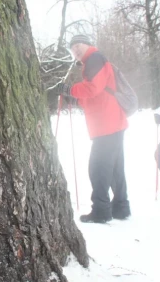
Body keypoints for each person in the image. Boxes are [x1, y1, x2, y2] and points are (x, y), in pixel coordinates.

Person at [54, 35, 130, 223]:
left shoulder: (94, 58)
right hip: (112, 121)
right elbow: (97, 94)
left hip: (106, 123)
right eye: (73, 49)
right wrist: (75, 98)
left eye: (78, 46)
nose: (76, 51)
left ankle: (101, 211)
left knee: (98, 168)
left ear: (88, 45)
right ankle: (121, 207)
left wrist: (70, 90)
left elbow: (93, 88)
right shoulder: (94, 61)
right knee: (114, 169)